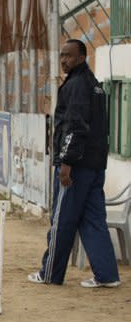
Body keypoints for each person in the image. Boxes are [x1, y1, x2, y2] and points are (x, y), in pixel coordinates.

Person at [28, 39, 120, 288]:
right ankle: (107, 275)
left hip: (76, 167)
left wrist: (66, 162)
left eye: (68, 56)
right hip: (94, 166)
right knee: (93, 220)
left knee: (62, 221)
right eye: (61, 56)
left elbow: (76, 126)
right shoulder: (94, 85)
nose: (63, 61)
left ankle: (50, 274)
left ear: (82, 57)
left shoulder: (77, 85)